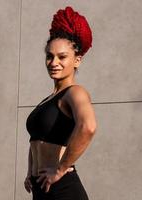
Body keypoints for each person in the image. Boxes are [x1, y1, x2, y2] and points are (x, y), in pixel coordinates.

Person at [24, 6, 97, 200]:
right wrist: (30, 171)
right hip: (41, 189)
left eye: (62, 56)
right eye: (49, 56)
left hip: (63, 190)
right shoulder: (48, 100)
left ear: (77, 60)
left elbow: (88, 127)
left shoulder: (75, 93)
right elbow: (36, 139)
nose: (53, 62)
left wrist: (61, 168)